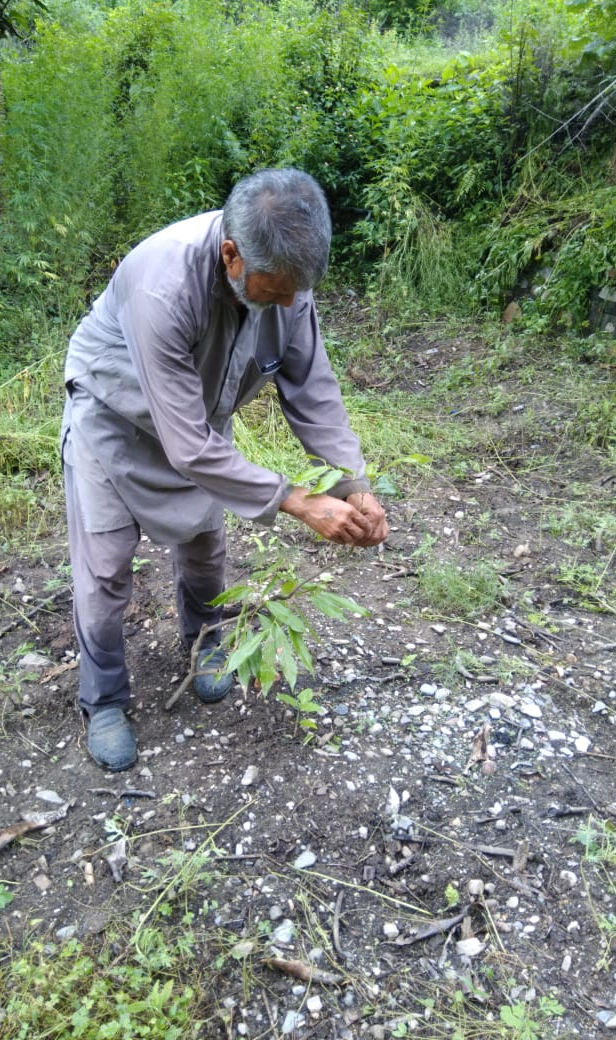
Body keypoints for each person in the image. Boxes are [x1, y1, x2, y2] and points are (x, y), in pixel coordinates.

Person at [62, 167, 388, 772]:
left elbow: (311, 385)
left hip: (198, 416)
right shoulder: (164, 285)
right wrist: (296, 500)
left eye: (299, 291)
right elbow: (187, 446)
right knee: (104, 570)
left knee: (206, 548)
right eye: (277, 290)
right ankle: (104, 698)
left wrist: (353, 482)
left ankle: (207, 640)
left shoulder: (287, 279)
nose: (289, 304)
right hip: (114, 418)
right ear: (231, 255)